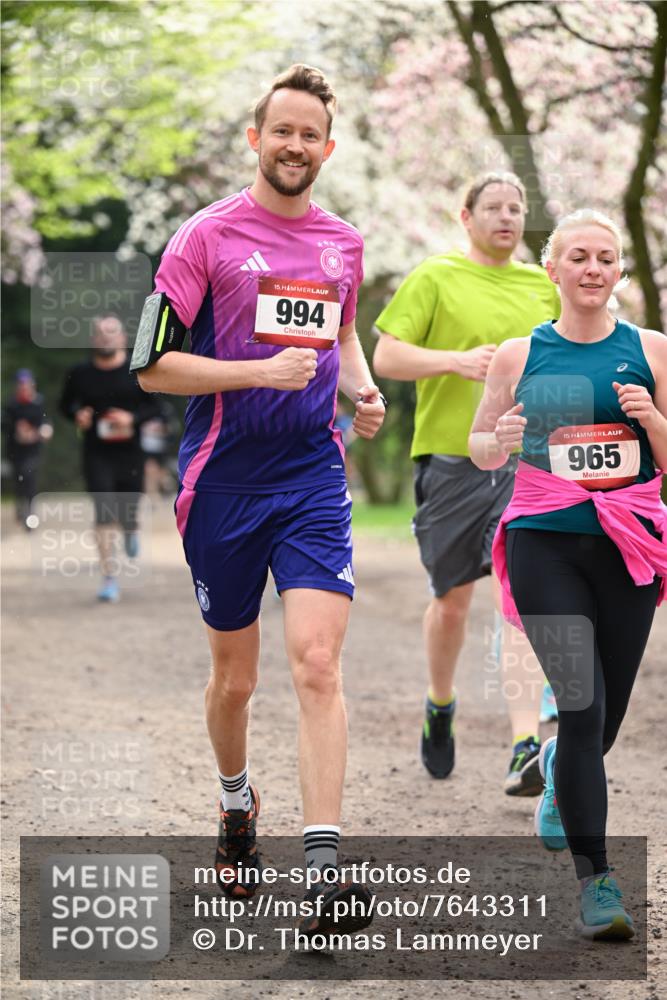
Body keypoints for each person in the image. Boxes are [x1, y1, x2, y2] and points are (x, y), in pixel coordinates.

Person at [137, 65, 385, 933]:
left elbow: (343, 331)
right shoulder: (201, 239)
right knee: (234, 681)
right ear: (255, 137)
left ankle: (322, 867)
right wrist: (254, 371)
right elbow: (152, 365)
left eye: (309, 133)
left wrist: (361, 388)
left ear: (327, 145)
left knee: (318, 664)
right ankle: (237, 803)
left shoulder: (342, 243)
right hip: (222, 483)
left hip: (311, 477)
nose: (294, 145)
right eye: (281, 130)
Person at [469, 209, 666, 940]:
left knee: (602, 723)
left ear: (618, 272)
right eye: (577, 256)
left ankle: (555, 764)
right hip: (544, 539)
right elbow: (481, 445)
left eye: (605, 258)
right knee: (581, 707)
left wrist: (650, 421)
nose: (592, 268)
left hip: (629, 546)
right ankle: (598, 882)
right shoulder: (520, 355)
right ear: (550, 269)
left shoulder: (649, 350)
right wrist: (502, 438)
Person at [373, 172, 561, 795]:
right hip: (452, 460)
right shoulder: (436, 276)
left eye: (516, 208)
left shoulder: (544, 284)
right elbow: (387, 357)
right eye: (493, 207)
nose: (506, 217)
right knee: (452, 601)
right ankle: (440, 702)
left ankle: (524, 745)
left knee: (522, 595)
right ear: (466, 215)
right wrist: (455, 361)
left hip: (528, 461)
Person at [60, 315, 161, 602]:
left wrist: (132, 418)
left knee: (128, 511)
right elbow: (65, 405)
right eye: (101, 334)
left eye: (112, 333)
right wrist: (77, 415)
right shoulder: (79, 373)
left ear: (122, 339)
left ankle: (131, 530)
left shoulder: (137, 371)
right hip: (96, 452)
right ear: (94, 340)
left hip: (130, 453)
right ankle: (109, 578)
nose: (106, 338)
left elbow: (157, 409)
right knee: (104, 511)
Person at [3, 369, 52, 527]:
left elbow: (46, 423)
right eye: (21, 384)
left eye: (26, 384)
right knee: (19, 479)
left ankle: (30, 512)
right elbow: (4, 425)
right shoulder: (11, 405)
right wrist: (16, 430)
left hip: (33, 450)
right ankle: (20, 505)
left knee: (28, 476)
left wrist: (42, 431)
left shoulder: (38, 403)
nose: (24, 387)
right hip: (14, 451)